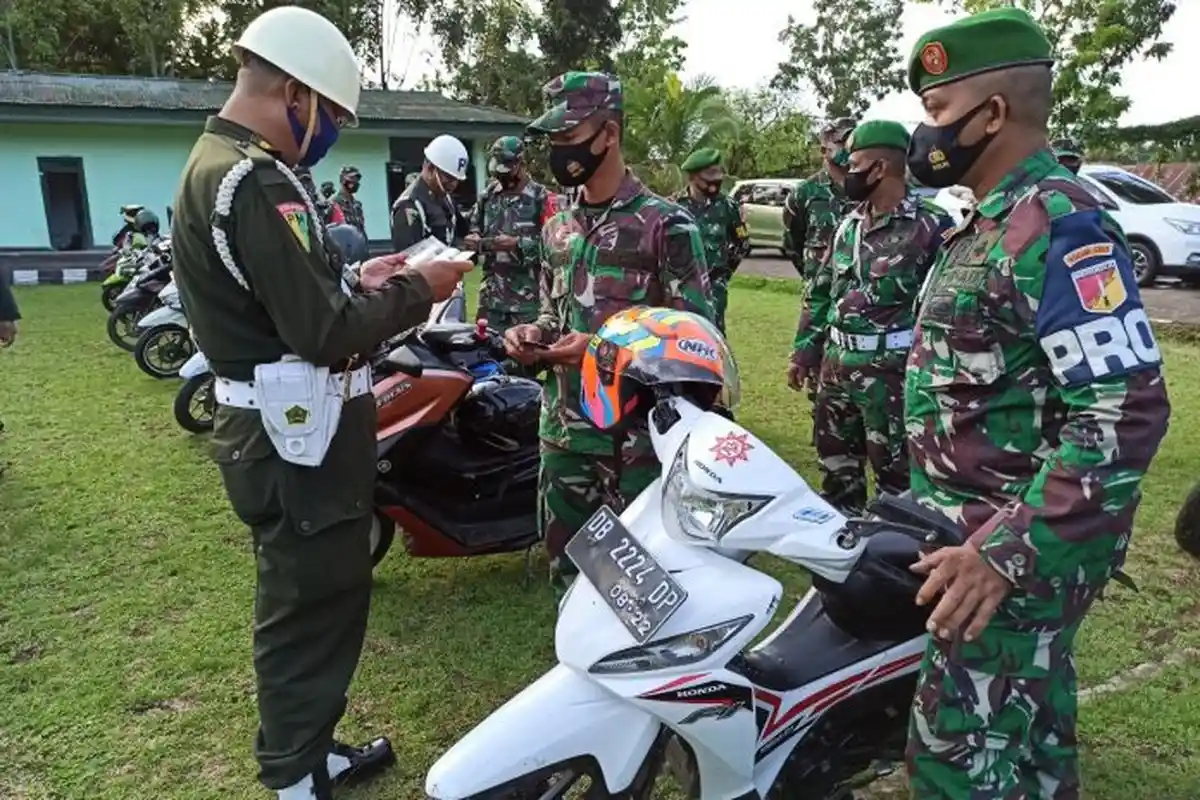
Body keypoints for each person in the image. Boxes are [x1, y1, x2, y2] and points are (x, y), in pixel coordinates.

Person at [168, 7, 472, 800]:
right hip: (294, 439)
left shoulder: (216, 163)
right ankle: (294, 777)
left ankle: (308, 751)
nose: (332, 128)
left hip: (284, 431)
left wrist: (364, 279)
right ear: (295, 93)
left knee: (320, 600)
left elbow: (286, 301)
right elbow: (325, 334)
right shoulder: (255, 177)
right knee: (306, 610)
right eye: (331, 112)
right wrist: (418, 289)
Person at [901, 9, 1171, 798]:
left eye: (939, 114)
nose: (929, 136)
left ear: (993, 115)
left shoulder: (1059, 223)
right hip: (973, 544)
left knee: (958, 767)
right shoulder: (987, 224)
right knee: (1032, 752)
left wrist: (1003, 553)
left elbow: (1125, 411)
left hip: (1005, 562)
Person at [502, 71, 714, 593]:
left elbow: (697, 342)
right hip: (565, 432)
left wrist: (597, 350)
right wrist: (534, 334)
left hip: (637, 440)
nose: (558, 151)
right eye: (551, 140)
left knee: (645, 584)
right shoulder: (557, 227)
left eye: (568, 137)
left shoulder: (667, 225)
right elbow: (555, 313)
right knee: (572, 581)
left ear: (609, 134)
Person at [791, 120, 953, 513]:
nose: (846, 171)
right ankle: (841, 554)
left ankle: (888, 558)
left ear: (879, 168)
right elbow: (822, 292)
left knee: (894, 479)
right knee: (836, 471)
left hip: (891, 376)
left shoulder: (932, 225)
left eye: (854, 162)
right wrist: (804, 352)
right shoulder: (850, 223)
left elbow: (945, 310)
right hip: (836, 369)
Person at [464, 136, 549, 335]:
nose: (502, 176)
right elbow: (474, 226)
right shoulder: (488, 196)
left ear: (521, 164)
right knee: (487, 358)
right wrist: (474, 239)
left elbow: (554, 249)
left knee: (525, 361)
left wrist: (517, 245)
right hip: (491, 301)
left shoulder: (540, 198)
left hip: (527, 304)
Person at [672, 147, 748, 333]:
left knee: (713, 337)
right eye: (710, 173)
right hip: (680, 288)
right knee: (680, 336)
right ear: (693, 177)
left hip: (714, 287)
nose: (717, 178)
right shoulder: (674, 206)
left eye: (719, 172)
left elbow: (742, 243)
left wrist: (722, 274)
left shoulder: (727, 206)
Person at [782, 117, 856, 281]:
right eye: (842, 142)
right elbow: (792, 243)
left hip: (856, 295)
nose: (849, 148)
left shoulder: (868, 190)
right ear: (824, 149)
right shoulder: (804, 193)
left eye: (853, 142)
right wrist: (814, 277)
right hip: (819, 295)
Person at [390, 134, 470, 250]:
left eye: (457, 179)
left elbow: (458, 233)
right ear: (430, 168)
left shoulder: (445, 199)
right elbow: (409, 259)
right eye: (449, 177)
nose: (453, 184)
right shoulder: (409, 206)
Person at [332, 165, 366, 234]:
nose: (355, 182)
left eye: (357, 179)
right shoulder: (334, 203)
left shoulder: (357, 205)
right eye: (352, 178)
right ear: (342, 180)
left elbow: (361, 228)